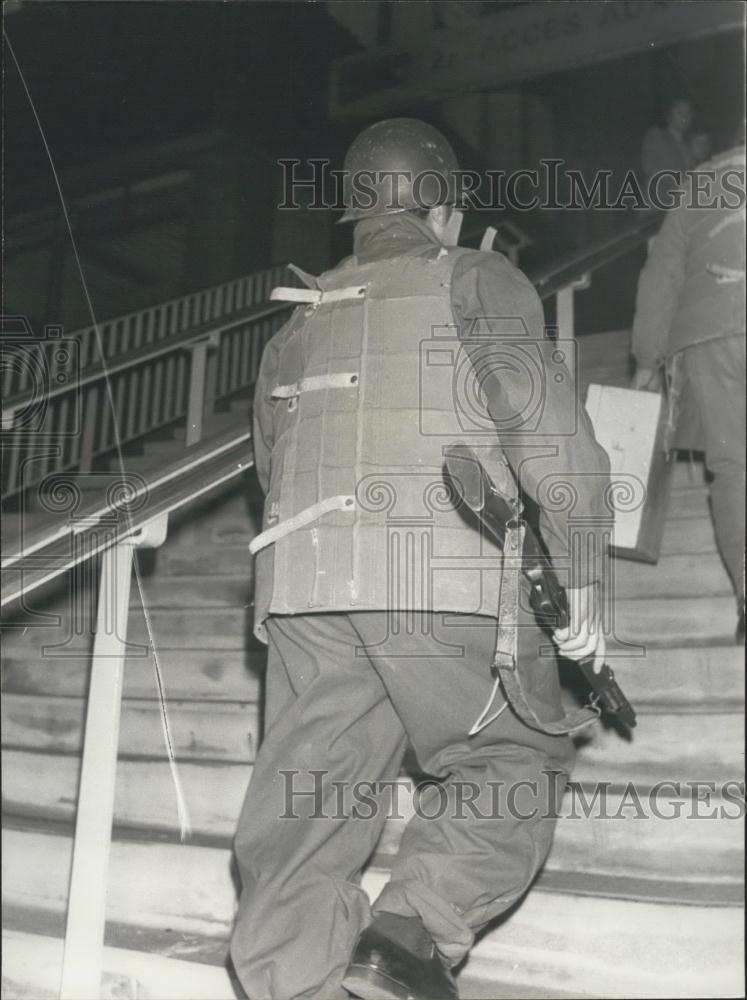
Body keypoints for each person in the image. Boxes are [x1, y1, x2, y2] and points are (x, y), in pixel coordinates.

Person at [230, 118, 611, 999]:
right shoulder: (473, 274)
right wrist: (584, 565)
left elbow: (267, 458)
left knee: (307, 802)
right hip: (443, 569)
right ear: (443, 209)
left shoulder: (298, 314)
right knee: (510, 761)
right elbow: (544, 427)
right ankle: (403, 943)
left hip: (304, 584)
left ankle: (293, 982)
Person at [631, 142, 745, 636]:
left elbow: (661, 275)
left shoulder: (700, 180)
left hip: (709, 334)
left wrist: (646, 359)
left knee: (734, 467)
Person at [641, 97, 694, 203]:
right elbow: (651, 168)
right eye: (679, 112)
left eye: (688, 113)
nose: (684, 117)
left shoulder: (689, 146)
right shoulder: (657, 135)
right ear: (669, 115)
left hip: (680, 208)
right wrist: (682, 189)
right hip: (657, 208)